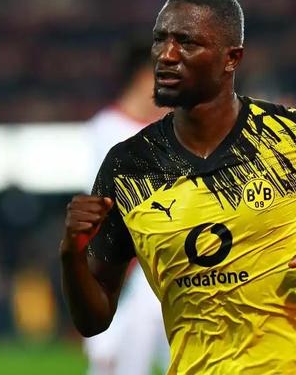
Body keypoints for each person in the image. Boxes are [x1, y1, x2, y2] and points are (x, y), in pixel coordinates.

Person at [61, 0, 296, 374]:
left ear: (231, 58)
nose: (167, 55)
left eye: (186, 42)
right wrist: (71, 253)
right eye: (161, 40)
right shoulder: (129, 167)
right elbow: (93, 320)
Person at [79, 43, 169, 375]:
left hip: (169, 261)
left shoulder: (173, 129)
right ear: (145, 77)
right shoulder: (107, 129)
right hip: (125, 266)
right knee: (113, 364)